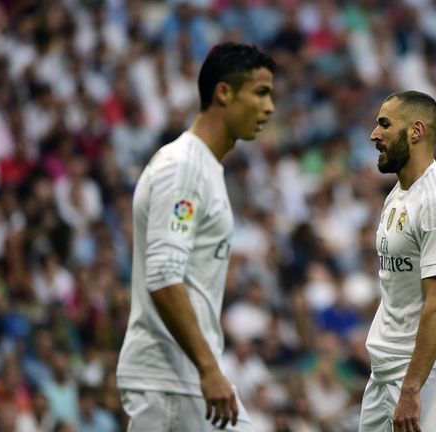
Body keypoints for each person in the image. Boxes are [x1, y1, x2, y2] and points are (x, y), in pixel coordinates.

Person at [116, 42, 275, 431]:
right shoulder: (183, 167)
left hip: (187, 378)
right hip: (173, 381)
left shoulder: (205, 168)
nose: (270, 108)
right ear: (223, 92)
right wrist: (208, 369)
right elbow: (164, 275)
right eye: (261, 93)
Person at [360, 91, 436, 432]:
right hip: (385, 372)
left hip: (430, 378)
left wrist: (411, 390)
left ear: (415, 131)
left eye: (384, 124)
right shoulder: (398, 195)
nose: (374, 135)